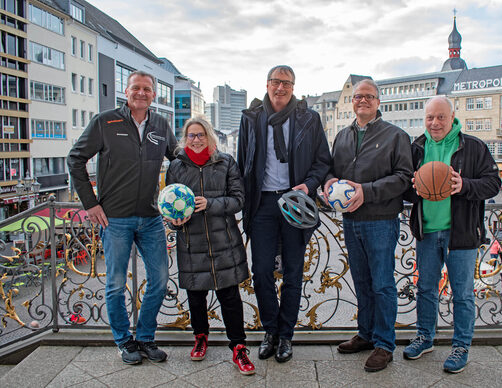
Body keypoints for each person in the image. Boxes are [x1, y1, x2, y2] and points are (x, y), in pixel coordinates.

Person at [67, 70, 177, 365]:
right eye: (136, 88)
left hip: (151, 217)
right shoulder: (105, 122)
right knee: (115, 283)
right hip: (114, 219)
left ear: (154, 95)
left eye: (147, 89)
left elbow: (178, 161)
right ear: (125, 92)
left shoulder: (161, 124)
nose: (141, 93)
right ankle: (123, 340)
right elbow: (75, 159)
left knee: (160, 278)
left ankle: (145, 338)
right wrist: (90, 203)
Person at [237, 65, 331, 363]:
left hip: (295, 203)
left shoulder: (309, 119)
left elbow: (322, 161)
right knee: (262, 271)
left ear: (293, 86)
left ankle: (286, 335)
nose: (281, 88)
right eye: (276, 82)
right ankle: (270, 330)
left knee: (293, 271)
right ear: (267, 85)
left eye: (287, 83)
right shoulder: (251, 118)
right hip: (263, 203)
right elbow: (242, 163)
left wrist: (311, 184)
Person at [403, 96, 501, 373]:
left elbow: (494, 183)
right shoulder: (417, 148)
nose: (434, 123)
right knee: (425, 289)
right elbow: (407, 187)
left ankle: (461, 346)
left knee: (462, 294)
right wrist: (413, 188)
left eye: (440, 117)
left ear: (452, 117)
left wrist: (464, 185)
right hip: (427, 232)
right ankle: (425, 337)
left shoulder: (473, 146)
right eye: (430, 118)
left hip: (462, 234)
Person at [323, 79, 413, 372]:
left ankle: (385, 344)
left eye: (368, 97)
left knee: (383, 284)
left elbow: (403, 178)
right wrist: (328, 183)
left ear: (378, 102)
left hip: (381, 220)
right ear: (353, 102)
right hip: (351, 220)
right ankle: (366, 334)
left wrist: (366, 191)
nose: (362, 101)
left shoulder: (395, 136)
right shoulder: (343, 136)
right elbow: (331, 171)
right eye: (358, 96)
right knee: (361, 281)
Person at [165, 116, 255, 375]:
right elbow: (169, 203)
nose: (196, 140)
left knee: (230, 296)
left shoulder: (225, 162)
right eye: (191, 135)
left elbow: (238, 200)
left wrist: (211, 204)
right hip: (192, 241)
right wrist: (174, 220)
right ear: (185, 139)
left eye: (200, 135)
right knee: (195, 295)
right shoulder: (177, 166)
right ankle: (200, 337)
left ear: (209, 137)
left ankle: (238, 347)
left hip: (223, 240)